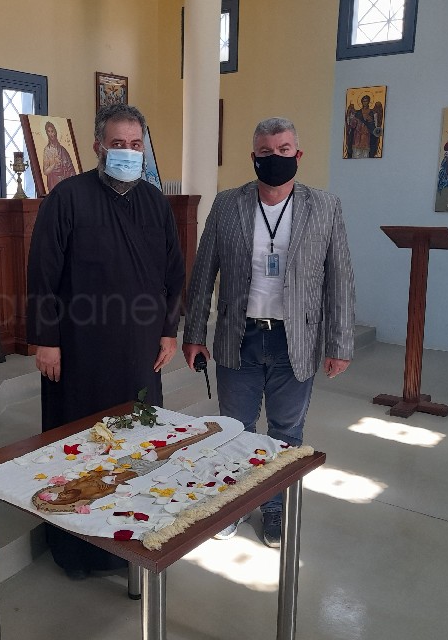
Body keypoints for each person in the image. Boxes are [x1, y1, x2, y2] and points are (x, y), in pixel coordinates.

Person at [26, 103, 185, 579]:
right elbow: (43, 272)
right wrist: (46, 340)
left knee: (136, 448)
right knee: (78, 449)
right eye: (118, 144)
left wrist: (168, 330)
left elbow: (173, 273)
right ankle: (76, 548)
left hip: (139, 353)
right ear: (98, 146)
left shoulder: (155, 202)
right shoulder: (68, 197)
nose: (128, 152)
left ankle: (129, 540)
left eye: (136, 145)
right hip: (80, 353)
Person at [182, 116, 355, 548]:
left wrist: (339, 342)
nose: (274, 158)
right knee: (234, 428)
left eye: (283, 150)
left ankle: (275, 507)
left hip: (294, 340)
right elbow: (204, 272)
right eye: (265, 152)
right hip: (237, 336)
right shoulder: (228, 204)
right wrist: (194, 333)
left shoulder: (325, 206)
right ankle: (234, 504)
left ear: (298, 154)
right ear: (253, 157)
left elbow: (340, 278)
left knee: (286, 432)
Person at [41, 120, 77, 192]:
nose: (51, 134)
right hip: (54, 182)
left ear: (55, 132)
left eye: (52, 131)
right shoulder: (47, 150)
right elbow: (45, 172)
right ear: (47, 133)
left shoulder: (63, 149)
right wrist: (54, 163)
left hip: (65, 182)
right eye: (49, 132)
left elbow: (71, 169)